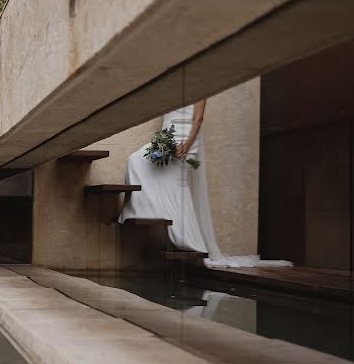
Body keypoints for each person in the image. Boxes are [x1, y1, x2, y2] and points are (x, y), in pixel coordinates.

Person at [119, 101, 290, 268]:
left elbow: (198, 118)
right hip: (168, 135)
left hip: (186, 137)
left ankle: (186, 236)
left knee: (177, 185)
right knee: (137, 161)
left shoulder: (199, 88)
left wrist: (188, 144)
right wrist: (162, 139)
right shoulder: (171, 87)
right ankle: (151, 212)